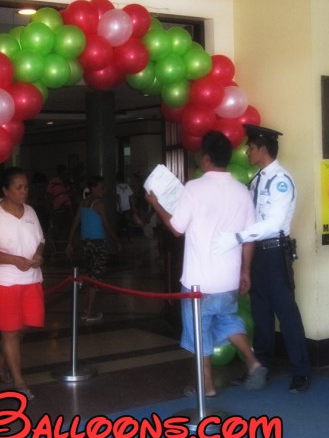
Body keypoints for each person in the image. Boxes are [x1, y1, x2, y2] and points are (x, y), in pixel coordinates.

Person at [145, 131, 268, 397]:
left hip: (199, 281)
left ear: (207, 158)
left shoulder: (194, 188)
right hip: (228, 278)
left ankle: (207, 386)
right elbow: (250, 237)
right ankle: (253, 361)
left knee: (199, 332)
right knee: (229, 321)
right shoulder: (241, 191)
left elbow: (177, 228)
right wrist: (245, 271)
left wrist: (156, 204)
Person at [215, 124, 311, 393]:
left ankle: (301, 371)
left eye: (251, 147)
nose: (246, 151)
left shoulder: (281, 180)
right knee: (260, 314)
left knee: (286, 312)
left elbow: (274, 222)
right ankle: (261, 367)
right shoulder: (256, 180)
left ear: (263, 149)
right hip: (255, 253)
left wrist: (237, 237)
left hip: (273, 252)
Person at [0, 167, 45, 400]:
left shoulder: (30, 212)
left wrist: (39, 255)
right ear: (6, 190)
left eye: (26, 187)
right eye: (19, 187)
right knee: (9, 331)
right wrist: (13, 260)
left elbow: (40, 241)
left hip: (30, 279)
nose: (24, 191)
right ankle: (18, 381)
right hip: (3, 281)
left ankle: (0, 361)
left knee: (27, 324)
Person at [65, 175, 121, 322]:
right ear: (94, 188)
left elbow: (75, 224)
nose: (104, 190)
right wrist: (117, 241)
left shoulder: (83, 203)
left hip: (85, 244)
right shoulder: (99, 204)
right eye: (102, 187)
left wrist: (69, 242)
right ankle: (88, 311)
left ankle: (86, 308)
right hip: (97, 244)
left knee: (91, 275)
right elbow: (107, 226)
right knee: (96, 278)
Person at [115, 172, 136, 239]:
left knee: (119, 223)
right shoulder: (127, 186)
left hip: (119, 208)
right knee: (128, 223)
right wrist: (133, 207)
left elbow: (117, 197)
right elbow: (131, 197)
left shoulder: (117, 187)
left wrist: (120, 207)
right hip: (127, 207)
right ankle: (130, 237)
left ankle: (119, 237)